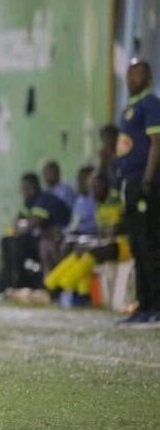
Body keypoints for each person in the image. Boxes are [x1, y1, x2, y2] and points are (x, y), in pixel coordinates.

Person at [114, 61, 160, 326]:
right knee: (137, 247)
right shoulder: (129, 108)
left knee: (150, 244)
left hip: (146, 183)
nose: (132, 78)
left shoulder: (150, 103)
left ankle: (156, 305)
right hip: (129, 184)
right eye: (130, 74)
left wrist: (148, 180)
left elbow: (156, 142)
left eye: (138, 74)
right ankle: (144, 304)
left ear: (148, 77)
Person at [45, 171, 129, 305]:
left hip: (125, 245)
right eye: (91, 187)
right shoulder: (100, 204)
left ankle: (63, 287)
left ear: (106, 185)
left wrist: (93, 242)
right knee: (79, 249)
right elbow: (102, 233)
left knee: (92, 251)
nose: (92, 190)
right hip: (108, 243)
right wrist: (89, 242)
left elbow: (114, 232)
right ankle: (56, 285)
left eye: (96, 186)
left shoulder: (114, 201)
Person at [0, 173, 71, 293]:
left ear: (32, 188)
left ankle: (39, 286)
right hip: (44, 236)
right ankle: (8, 282)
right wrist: (17, 228)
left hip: (59, 235)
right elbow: (17, 221)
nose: (22, 191)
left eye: (24, 188)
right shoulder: (29, 201)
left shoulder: (42, 199)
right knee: (7, 241)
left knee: (22, 244)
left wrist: (19, 229)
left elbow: (33, 223)